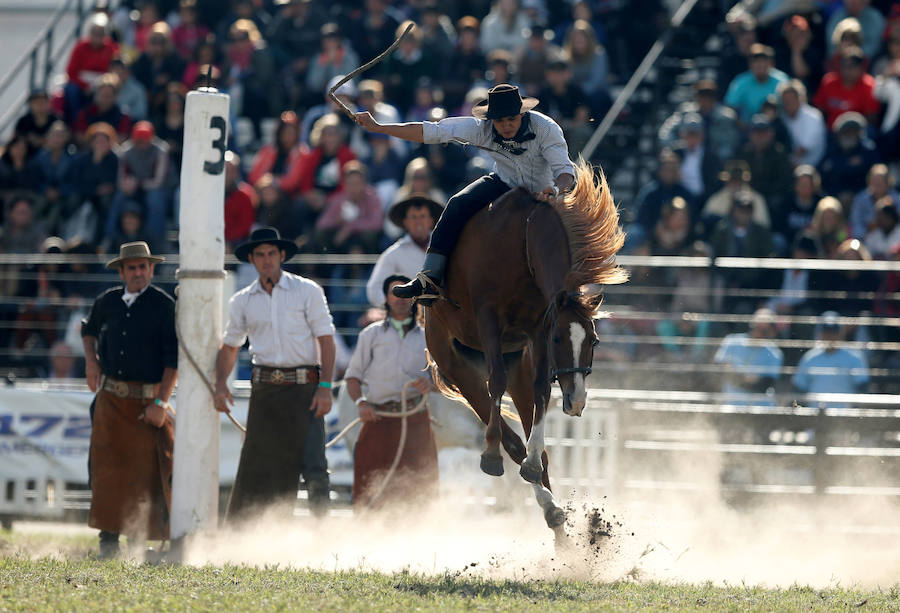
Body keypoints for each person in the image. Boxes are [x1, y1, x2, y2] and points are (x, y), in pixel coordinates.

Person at [355, 83, 575, 302]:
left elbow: (566, 173)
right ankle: (429, 277)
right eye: (500, 120)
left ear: (522, 114)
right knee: (457, 203)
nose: (506, 125)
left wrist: (555, 190)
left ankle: (577, 287)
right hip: (504, 182)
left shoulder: (546, 128)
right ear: (490, 120)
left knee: (577, 232)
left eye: (512, 119)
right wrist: (380, 128)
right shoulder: (480, 128)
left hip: (546, 192)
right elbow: (429, 131)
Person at [213, 227, 336, 521]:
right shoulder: (242, 300)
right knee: (259, 467)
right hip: (265, 390)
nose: (266, 259)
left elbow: (326, 340)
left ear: (282, 255)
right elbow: (230, 346)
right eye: (260, 254)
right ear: (252, 259)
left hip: (305, 389)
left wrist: (325, 386)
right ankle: (256, 533)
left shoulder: (307, 291)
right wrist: (220, 385)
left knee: (314, 466)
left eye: (271, 253)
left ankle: (324, 535)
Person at [80, 241, 176, 558]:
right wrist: (91, 362)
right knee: (105, 470)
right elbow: (88, 330)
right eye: (131, 267)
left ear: (152, 269)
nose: (138, 272)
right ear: (121, 272)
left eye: (143, 267)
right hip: (109, 398)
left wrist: (161, 404)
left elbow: (173, 361)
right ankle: (108, 541)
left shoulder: (164, 306)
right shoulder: (107, 301)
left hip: (146, 402)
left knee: (144, 472)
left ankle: (139, 540)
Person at [344, 274, 439, 509]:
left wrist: (430, 385)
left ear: (414, 298)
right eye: (395, 293)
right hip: (378, 418)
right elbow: (353, 378)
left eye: (406, 293)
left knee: (420, 487)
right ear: (386, 298)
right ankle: (368, 529)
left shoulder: (429, 336)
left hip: (415, 420)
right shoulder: (370, 335)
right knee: (369, 484)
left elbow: (444, 380)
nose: (400, 298)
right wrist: (361, 403)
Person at [366, 194, 443, 305]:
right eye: (413, 217)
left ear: (431, 221)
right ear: (405, 222)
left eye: (423, 216)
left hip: (443, 311)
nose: (418, 221)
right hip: (410, 313)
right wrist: (394, 308)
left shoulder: (445, 247)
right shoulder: (393, 254)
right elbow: (374, 289)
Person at [792, 311, 869, 408]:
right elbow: (799, 387)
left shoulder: (854, 357)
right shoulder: (810, 357)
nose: (830, 336)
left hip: (844, 414)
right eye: (826, 331)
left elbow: (862, 387)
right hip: (815, 413)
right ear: (820, 333)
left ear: (841, 333)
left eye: (834, 332)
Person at [713, 307, 783, 406]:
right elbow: (720, 369)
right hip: (731, 404)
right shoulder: (732, 341)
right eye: (757, 326)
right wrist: (749, 380)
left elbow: (764, 385)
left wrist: (737, 377)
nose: (759, 332)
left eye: (764, 329)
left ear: (772, 331)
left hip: (760, 407)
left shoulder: (775, 353)